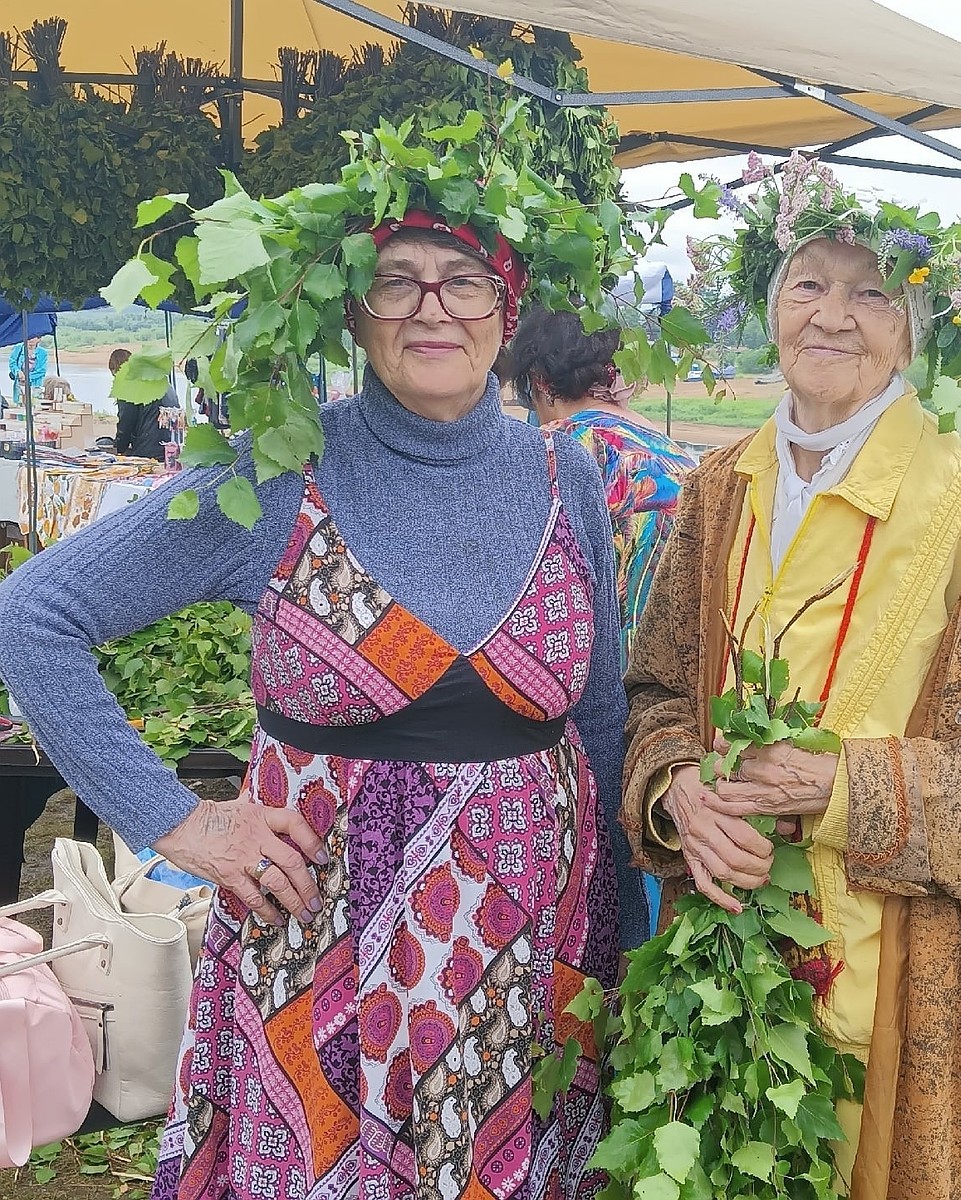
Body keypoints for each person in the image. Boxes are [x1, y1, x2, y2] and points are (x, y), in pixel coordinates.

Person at [0, 206, 633, 1198]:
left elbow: (598, 716)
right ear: (354, 312)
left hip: (532, 963)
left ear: (505, 312)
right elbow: (33, 615)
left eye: (463, 281)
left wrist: (620, 937)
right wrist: (181, 823)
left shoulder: (568, 477)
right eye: (398, 280)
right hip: (327, 968)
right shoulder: (279, 472)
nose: (432, 307)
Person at [620, 156, 961, 1198]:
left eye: (872, 293)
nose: (834, 316)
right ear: (769, 309)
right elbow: (659, 694)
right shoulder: (720, 489)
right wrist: (677, 790)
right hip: (725, 985)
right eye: (809, 283)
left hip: (906, 1001)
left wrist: (845, 790)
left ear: (919, 326)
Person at [503, 306, 695, 931]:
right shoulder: (667, 445)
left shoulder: (561, 450)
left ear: (538, 383)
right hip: (683, 694)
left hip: (614, 691)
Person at [109, 347, 182, 460]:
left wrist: (119, 449)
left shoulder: (127, 386)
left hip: (149, 449)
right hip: (172, 446)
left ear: (116, 370)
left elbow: (126, 422)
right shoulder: (159, 380)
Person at [7, 335, 48, 412]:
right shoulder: (18, 348)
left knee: (34, 407)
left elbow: (42, 370)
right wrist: (18, 372)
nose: (30, 339)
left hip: (35, 385)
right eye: (29, 337)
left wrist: (27, 377)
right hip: (20, 384)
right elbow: (12, 363)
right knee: (20, 407)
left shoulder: (43, 353)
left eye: (33, 337)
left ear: (39, 339)